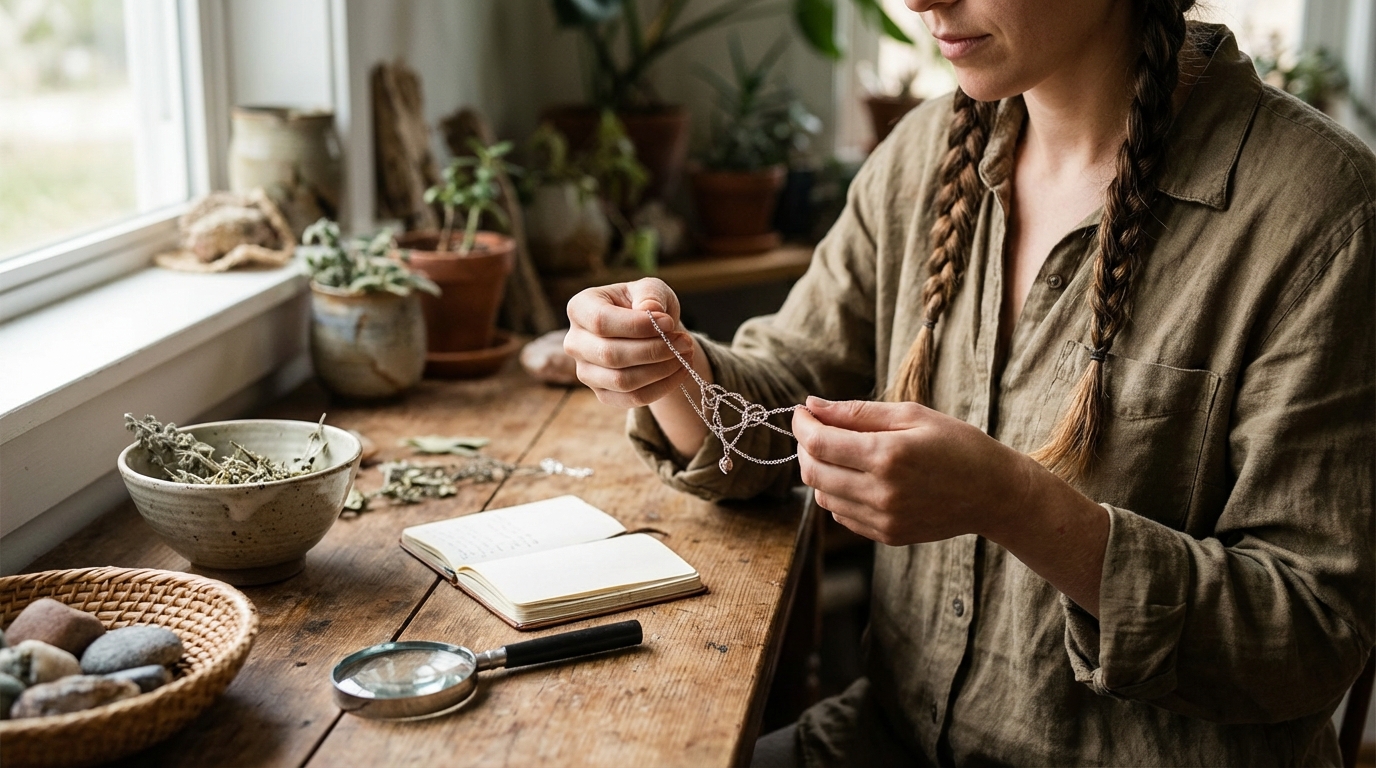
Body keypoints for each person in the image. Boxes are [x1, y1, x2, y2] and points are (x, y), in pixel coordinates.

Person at [564, 0, 1376, 763]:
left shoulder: (1322, 215)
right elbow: (786, 398)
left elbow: (1310, 635)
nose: (919, 1)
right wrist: (667, 368)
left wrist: (1016, 506)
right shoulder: (925, 153)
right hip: (887, 738)